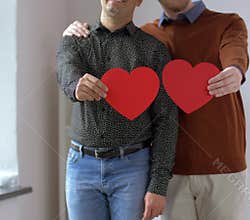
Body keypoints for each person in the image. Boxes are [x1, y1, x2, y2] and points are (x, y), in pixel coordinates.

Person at [64, 0, 250, 219]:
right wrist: (71, 34)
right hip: (172, 170)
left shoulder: (228, 23)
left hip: (223, 167)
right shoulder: (146, 37)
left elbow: (235, 52)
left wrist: (235, 70)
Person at [56, 0, 179, 219]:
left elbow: (166, 120)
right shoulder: (75, 40)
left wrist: (158, 185)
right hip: (80, 167)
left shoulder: (154, 51)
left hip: (134, 168)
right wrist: (75, 86)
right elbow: (65, 68)